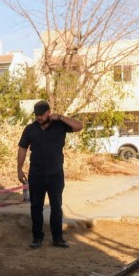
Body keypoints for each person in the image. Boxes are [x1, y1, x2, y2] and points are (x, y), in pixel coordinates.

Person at [17, 101, 84, 249]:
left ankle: (58, 238)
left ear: (49, 112)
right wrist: (19, 168)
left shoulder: (60, 126)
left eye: (42, 114)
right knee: (36, 207)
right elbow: (22, 148)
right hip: (36, 173)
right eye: (37, 115)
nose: (39, 118)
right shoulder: (30, 129)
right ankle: (37, 238)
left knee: (56, 207)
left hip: (55, 174)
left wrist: (60, 117)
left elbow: (79, 126)